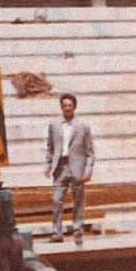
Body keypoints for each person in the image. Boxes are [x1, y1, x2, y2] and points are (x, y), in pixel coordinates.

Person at [45, 93, 95, 245]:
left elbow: (90, 152)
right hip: (60, 167)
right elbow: (50, 147)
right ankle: (57, 232)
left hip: (77, 168)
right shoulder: (54, 125)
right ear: (61, 107)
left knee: (78, 201)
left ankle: (78, 230)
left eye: (69, 105)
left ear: (74, 107)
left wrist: (88, 170)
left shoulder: (83, 126)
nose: (67, 108)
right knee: (56, 200)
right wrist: (48, 165)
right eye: (64, 105)